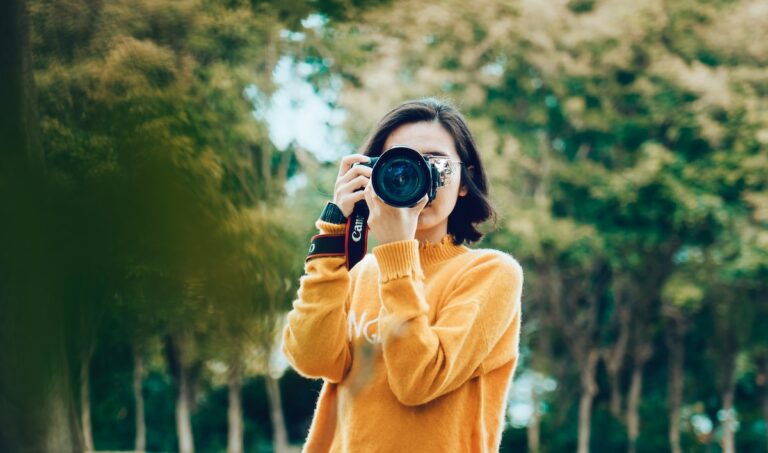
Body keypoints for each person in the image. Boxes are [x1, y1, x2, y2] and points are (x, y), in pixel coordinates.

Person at [282, 98, 524, 452]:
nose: (415, 175)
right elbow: (311, 358)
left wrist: (398, 252)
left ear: (462, 181)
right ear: (371, 175)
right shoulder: (359, 271)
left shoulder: (490, 274)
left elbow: (417, 382)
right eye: (399, 162)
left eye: (434, 162)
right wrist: (334, 232)